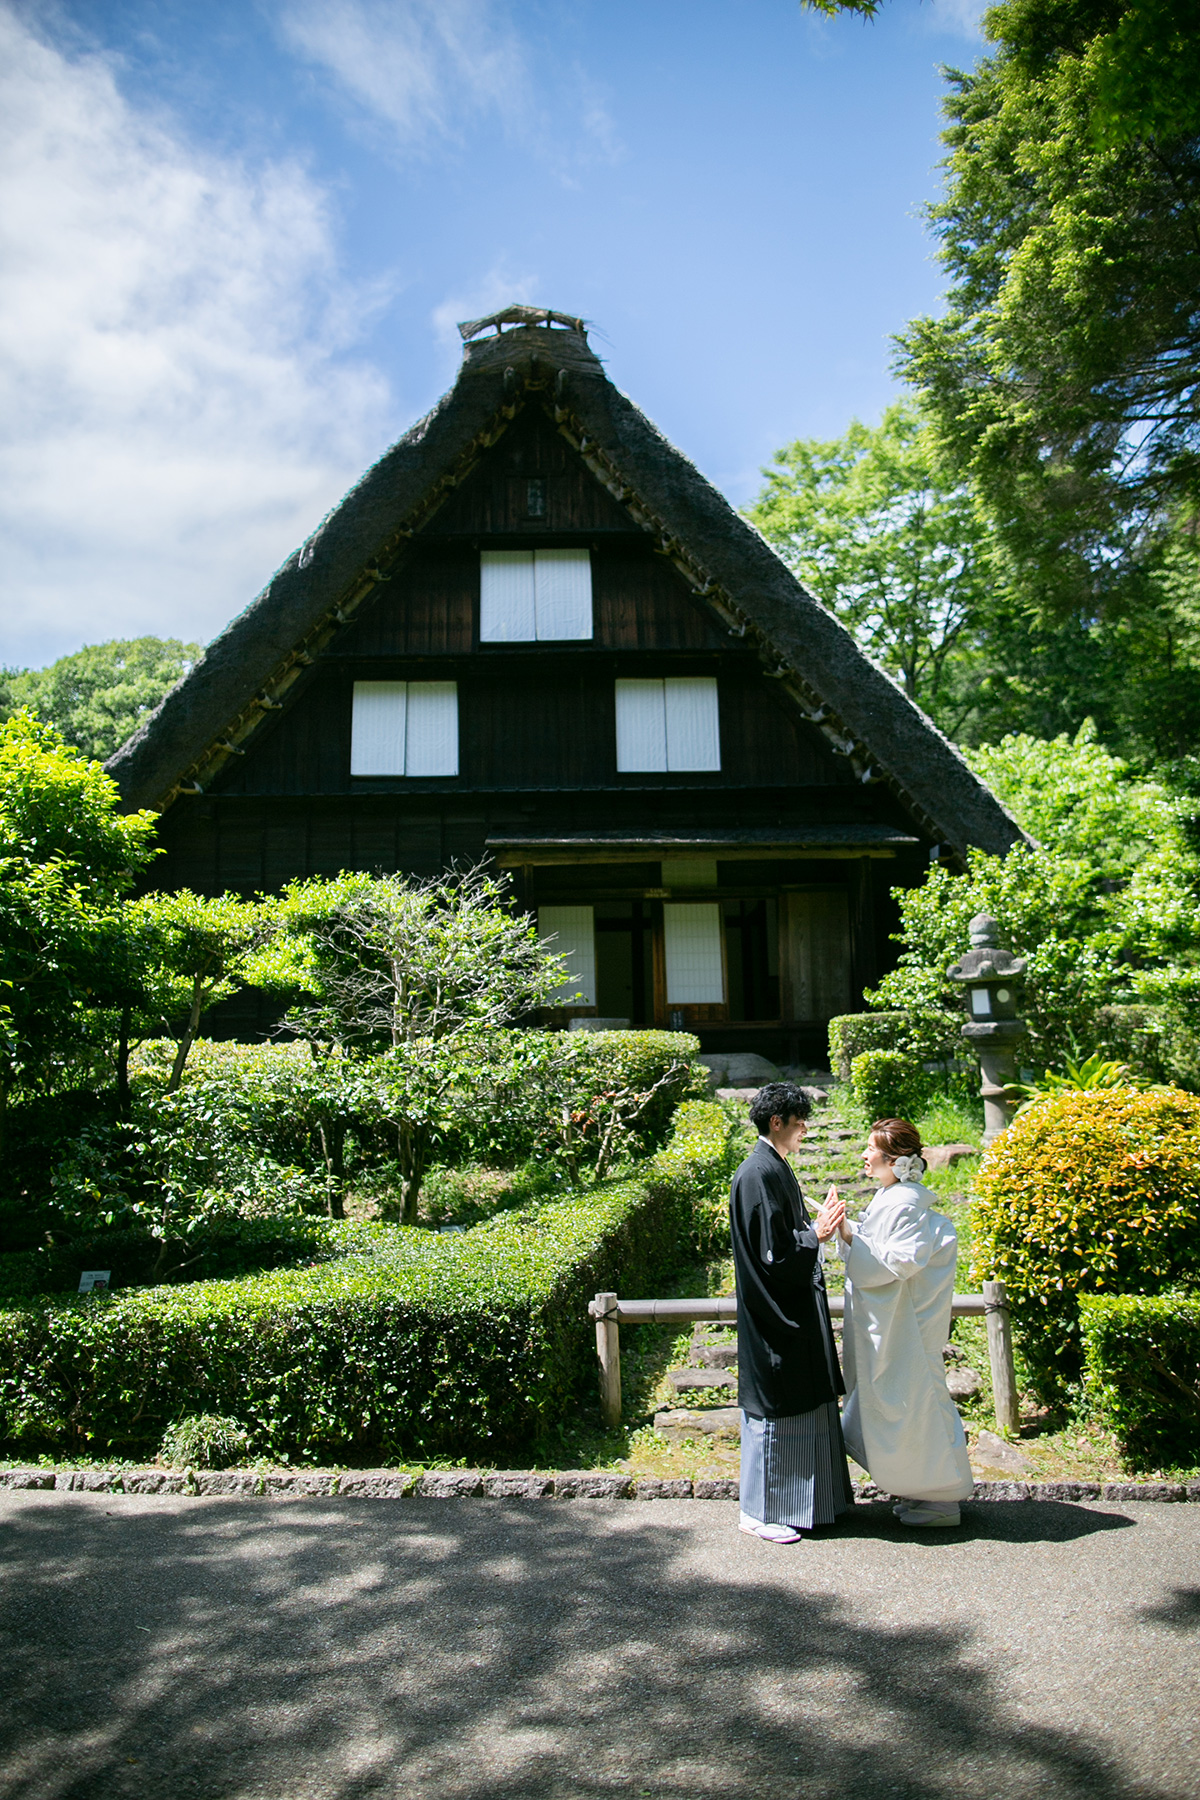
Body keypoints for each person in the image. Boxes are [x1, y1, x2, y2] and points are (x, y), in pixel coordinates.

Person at [833, 1117, 974, 1528]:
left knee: (917, 1406)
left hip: (906, 1328)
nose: (863, 1155)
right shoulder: (894, 1197)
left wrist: (846, 1235)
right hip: (900, 1323)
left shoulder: (903, 1202)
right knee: (905, 1404)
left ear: (894, 1160)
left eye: (871, 1149)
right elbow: (882, 1249)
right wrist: (848, 1230)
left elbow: (898, 1261)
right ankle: (919, 1492)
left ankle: (941, 1499)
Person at [730, 1082, 854, 1544]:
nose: (805, 1128)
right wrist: (814, 1236)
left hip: (793, 1307)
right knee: (775, 1408)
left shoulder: (774, 1167)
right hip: (773, 1315)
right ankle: (758, 1512)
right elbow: (772, 1255)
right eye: (799, 1120)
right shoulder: (757, 1173)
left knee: (802, 1402)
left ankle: (813, 1504)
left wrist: (816, 1228)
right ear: (775, 1122)